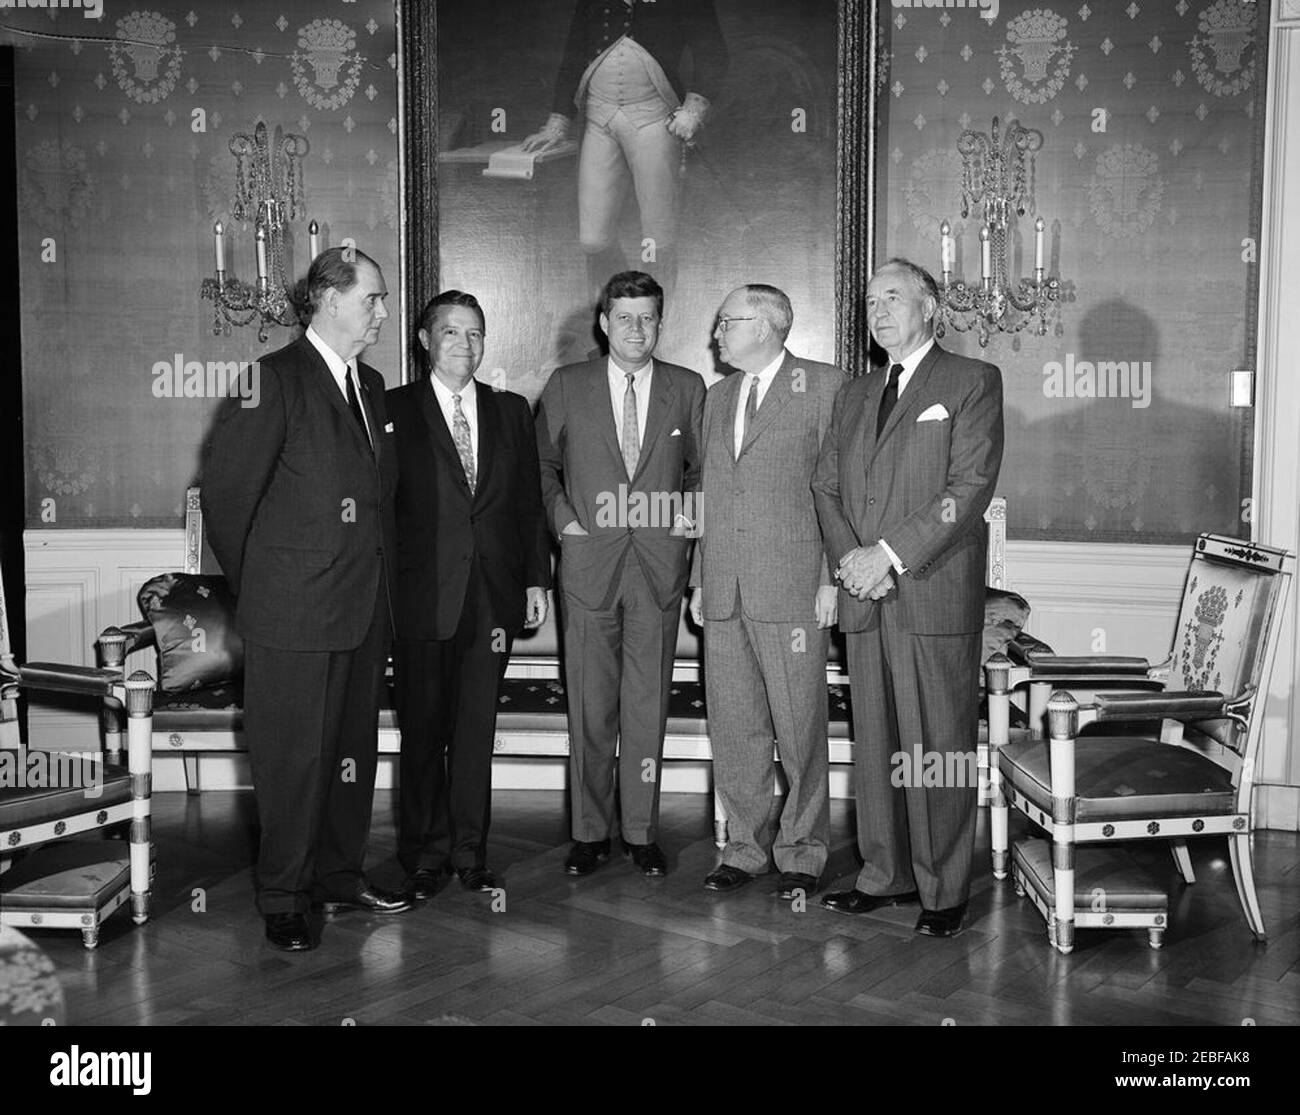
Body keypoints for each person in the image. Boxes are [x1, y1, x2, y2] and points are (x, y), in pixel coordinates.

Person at [201, 247, 412, 953]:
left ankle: (337, 876)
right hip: (291, 616)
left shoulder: (373, 385)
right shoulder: (272, 380)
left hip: (360, 613)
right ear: (327, 298)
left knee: (351, 755)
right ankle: (285, 897)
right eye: (374, 299)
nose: (384, 311)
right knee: (292, 762)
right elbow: (229, 504)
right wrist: (269, 590)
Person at [811, 258, 1004, 938]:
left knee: (937, 746)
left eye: (893, 297)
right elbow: (826, 486)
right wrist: (852, 564)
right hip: (866, 595)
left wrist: (887, 555)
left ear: (929, 306)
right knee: (878, 744)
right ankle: (883, 873)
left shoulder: (971, 380)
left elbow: (969, 485)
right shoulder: (855, 392)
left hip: (930, 592)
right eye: (870, 302)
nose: (879, 310)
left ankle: (943, 889)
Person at [535, 270, 704, 877]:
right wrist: (566, 525)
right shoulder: (566, 385)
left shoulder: (687, 388)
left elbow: (700, 472)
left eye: (648, 318)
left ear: (661, 323)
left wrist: (686, 514)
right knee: (589, 707)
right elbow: (543, 468)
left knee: (646, 706)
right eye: (625, 318)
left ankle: (640, 830)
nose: (637, 329)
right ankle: (589, 832)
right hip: (588, 565)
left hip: (658, 568)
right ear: (604, 323)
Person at [386, 291, 551, 899]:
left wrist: (537, 579)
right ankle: (423, 855)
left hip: (493, 597)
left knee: (476, 729)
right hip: (421, 596)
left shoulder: (510, 411)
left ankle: (469, 851)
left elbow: (530, 505)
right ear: (425, 341)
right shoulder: (391, 408)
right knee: (424, 730)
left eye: (476, 334)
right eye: (452, 333)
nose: (465, 344)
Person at [687, 285, 844, 900]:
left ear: (771, 324)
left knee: (800, 728)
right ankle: (744, 848)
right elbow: (712, 496)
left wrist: (832, 577)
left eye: (728, 321)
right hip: (724, 587)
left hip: (796, 590)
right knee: (735, 727)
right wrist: (701, 576)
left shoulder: (827, 387)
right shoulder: (718, 396)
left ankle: (803, 851)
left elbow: (840, 491)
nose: (717, 333)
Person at [521, 0, 728, 297]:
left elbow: (714, 53)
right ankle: (618, 306)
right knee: (592, 238)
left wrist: (693, 110)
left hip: (654, 117)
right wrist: (558, 120)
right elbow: (573, 54)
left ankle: (658, 313)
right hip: (599, 119)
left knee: (659, 234)